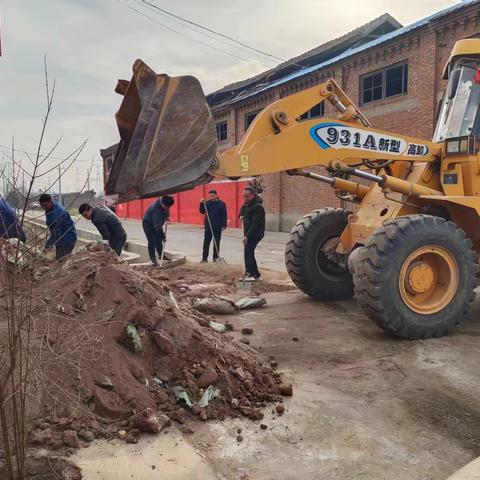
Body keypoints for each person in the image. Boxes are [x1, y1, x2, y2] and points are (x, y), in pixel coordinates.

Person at [39, 193, 77, 260]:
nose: (43, 207)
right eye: (41, 205)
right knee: (59, 259)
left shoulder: (57, 213)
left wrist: (47, 246)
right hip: (62, 238)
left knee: (61, 261)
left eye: (45, 205)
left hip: (67, 239)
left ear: (50, 201)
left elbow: (56, 234)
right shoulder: (52, 207)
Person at [240, 187, 265, 281]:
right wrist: (241, 214)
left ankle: (249, 274)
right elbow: (242, 208)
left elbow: (255, 224)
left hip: (255, 233)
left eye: (247, 196)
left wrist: (247, 236)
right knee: (249, 252)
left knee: (248, 252)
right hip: (248, 233)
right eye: (244, 196)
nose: (245, 198)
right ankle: (256, 274)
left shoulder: (258, 207)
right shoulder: (247, 204)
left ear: (253, 195)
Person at [142, 196, 175, 266]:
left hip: (156, 223)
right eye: (166, 207)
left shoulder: (165, 201)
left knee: (158, 240)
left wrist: (167, 216)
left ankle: (161, 256)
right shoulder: (156, 210)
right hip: (148, 224)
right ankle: (152, 259)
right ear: (162, 204)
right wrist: (163, 236)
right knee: (152, 240)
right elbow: (157, 227)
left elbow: (167, 209)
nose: (167, 208)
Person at [199, 189, 227, 262]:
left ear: (216, 195)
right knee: (206, 243)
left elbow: (224, 215)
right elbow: (202, 211)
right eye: (210, 196)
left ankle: (215, 258)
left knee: (216, 243)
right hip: (208, 226)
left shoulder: (222, 204)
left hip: (218, 226)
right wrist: (201, 203)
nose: (211, 197)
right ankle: (204, 258)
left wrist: (224, 225)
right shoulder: (207, 203)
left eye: (213, 195)